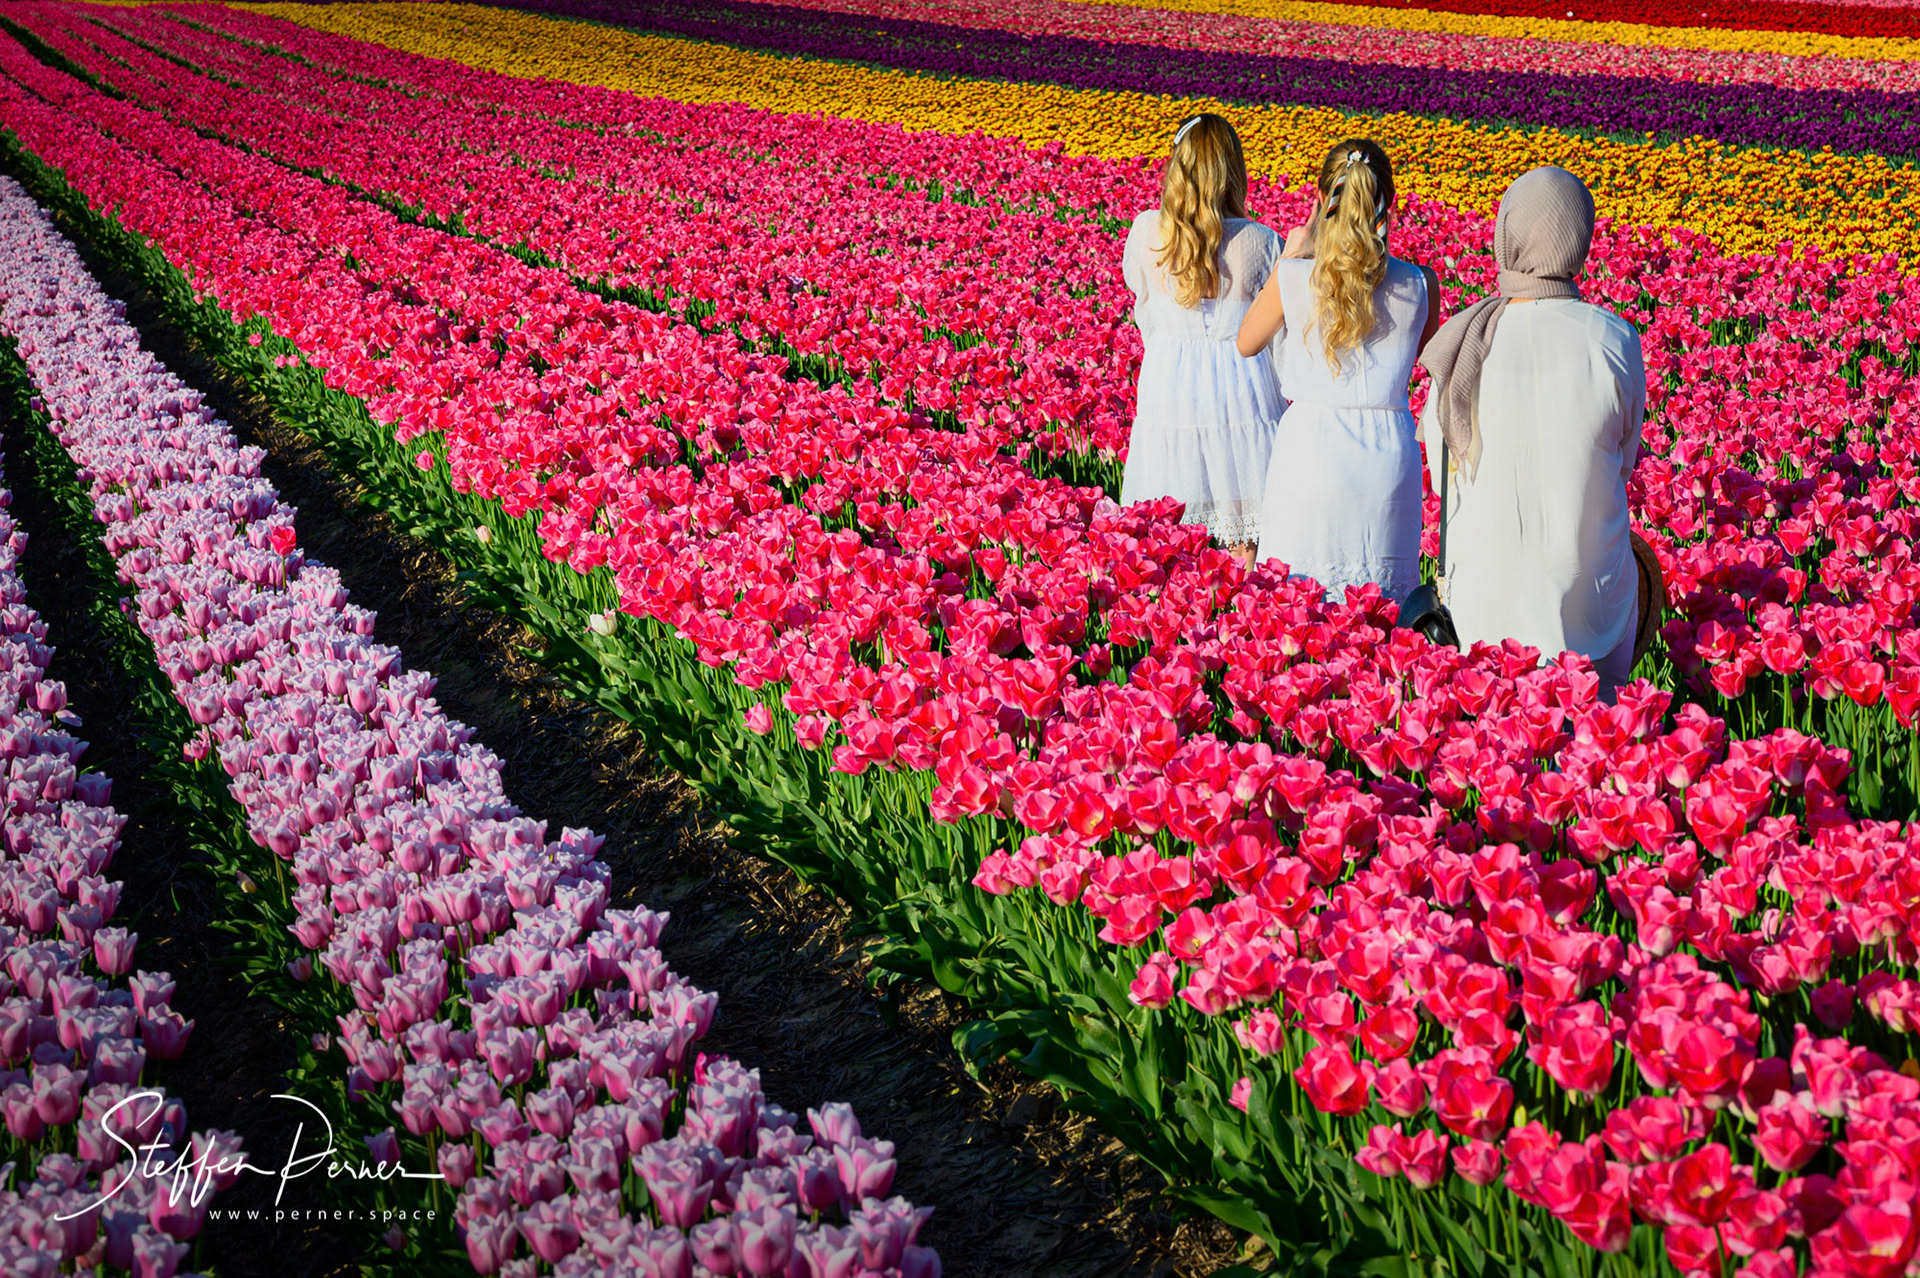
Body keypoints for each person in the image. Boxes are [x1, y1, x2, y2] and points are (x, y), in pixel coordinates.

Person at [1417, 165, 1645, 697]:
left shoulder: (1464, 345)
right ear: (1578, 238)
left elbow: (1442, 476)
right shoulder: (1614, 340)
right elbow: (1623, 463)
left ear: (1508, 235)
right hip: (1592, 603)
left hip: (1481, 601)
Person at [1237, 139, 1440, 602]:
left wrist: (1290, 256)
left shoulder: (1294, 277)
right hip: (1388, 457)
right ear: (1388, 203)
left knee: (1298, 609)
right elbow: (1426, 359)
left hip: (1311, 451)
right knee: (1381, 610)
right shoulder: (1420, 283)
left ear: (1320, 201)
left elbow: (1247, 341)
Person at [1119, 114, 1287, 564]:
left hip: (1170, 388)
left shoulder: (1148, 232)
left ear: (1178, 165)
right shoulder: (1261, 241)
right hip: (1244, 390)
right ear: (1234, 169)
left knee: (1164, 530)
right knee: (1246, 530)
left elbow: (1146, 316)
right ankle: (1247, 602)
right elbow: (1276, 338)